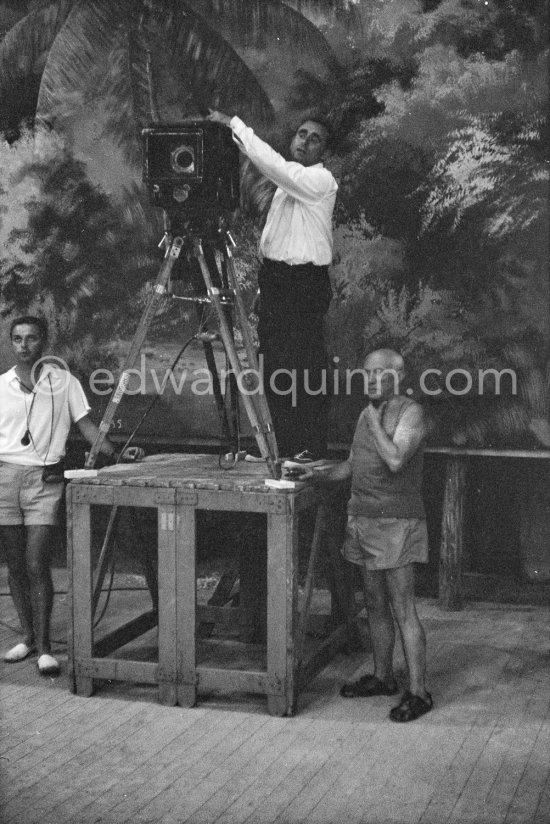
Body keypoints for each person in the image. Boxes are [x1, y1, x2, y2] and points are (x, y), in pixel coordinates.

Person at [296, 348, 433, 722]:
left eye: (378, 374)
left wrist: (374, 421)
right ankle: (383, 676)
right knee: (373, 603)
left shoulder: (411, 413)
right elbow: (353, 467)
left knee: (403, 606)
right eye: (366, 374)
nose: (370, 380)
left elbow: (395, 459)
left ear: (398, 375)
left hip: (398, 523)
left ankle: (419, 692)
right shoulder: (366, 414)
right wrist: (317, 474)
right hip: (363, 520)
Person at [0, 316, 136, 676]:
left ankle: (45, 648)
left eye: (31, 338)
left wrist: (117, 453)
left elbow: (87, 427)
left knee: (35, 562)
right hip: (4, 479)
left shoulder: (64, 383)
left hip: (45, 480)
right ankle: (27, 638)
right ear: (11, 343)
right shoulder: (2, 386)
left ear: (44, 341)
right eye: (17, 339)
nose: (24, 345)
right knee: (14, 566)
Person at [207, 109, 338, 462]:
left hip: (304, 283)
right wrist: (266, 290)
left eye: (315, 139)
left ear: (323, 152)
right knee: (275, 367)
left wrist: (235, 124)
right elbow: (278, 239)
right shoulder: (287, 187)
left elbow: (274, 166)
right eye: (302, 134)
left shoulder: (319, 182)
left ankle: (309, 448)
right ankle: (281, 448)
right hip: (278, 281)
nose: (305, 142)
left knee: (304, 366)